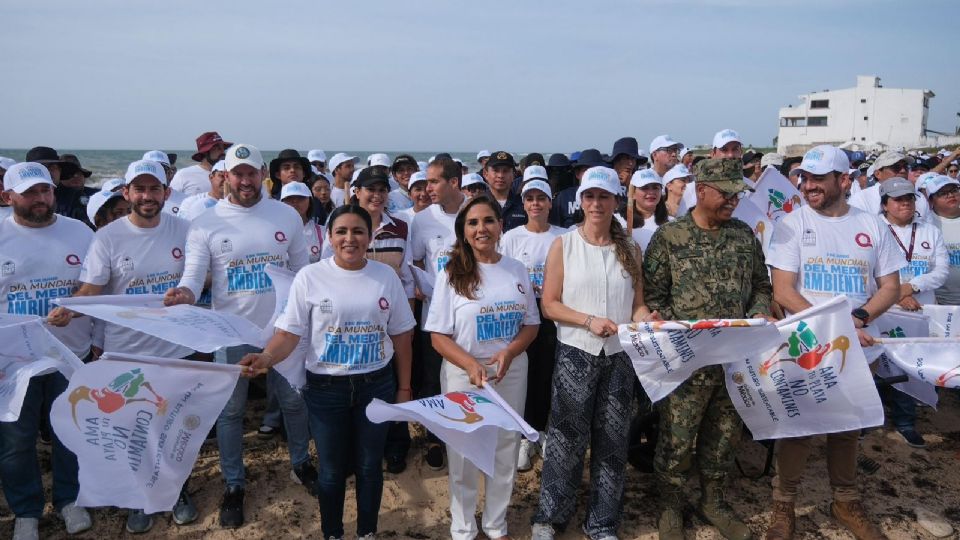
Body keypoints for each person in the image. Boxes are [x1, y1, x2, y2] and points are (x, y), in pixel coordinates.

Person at [236, 204, 414, 540]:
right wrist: (265, 358)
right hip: (325, 390)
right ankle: (333, 533)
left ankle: (366, 533)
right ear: (329, 238)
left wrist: (404, 389)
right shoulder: (310, 276)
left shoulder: (385, 277)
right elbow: (289, 334)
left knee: (369, 467)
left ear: (370, 236)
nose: (350, 238)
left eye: (358, 231)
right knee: (331, 471)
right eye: (342, 232)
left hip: (376, 385)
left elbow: (402, 336)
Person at [163, 143, 317, 528]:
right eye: (237, 173)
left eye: (251, 173)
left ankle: (301, 463)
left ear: (262, 173)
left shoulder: (285, 215)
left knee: (294, 403)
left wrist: (301, 321)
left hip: (283, 330)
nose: (245, 181)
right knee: (230, 412)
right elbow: (193, 278)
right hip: (230, 334)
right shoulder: (206, 224)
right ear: (224, 176)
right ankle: (234, 484)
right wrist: (183, 294)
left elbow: (303, 274)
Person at [49, 159, 199, 532]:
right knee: (135, 428)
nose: (147, 196)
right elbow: (92, 291)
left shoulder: (185, 229)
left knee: (173, 424)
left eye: (154, 189)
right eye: (140, 189)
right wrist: (71, 309)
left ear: (166, 192)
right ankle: (140, 499)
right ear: (127, 193)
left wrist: (188, 292)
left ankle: (177, 490)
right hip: (128, 352)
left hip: (176, 346)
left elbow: (201, 274)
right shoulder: (108, 237)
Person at [766, 145, 904, 540]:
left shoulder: (873, 225)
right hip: (808, 343)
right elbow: (783, 290)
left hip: (861, 345)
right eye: (804, 178)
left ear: (844, 180)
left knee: (848, 428)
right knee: (798, 428)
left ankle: (845, 500)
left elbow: (890, 286)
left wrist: (859, 319)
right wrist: (835, 327)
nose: (808, 185)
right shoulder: (791, 224)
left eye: (818, 179)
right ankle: (784, 504)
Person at [643, 159, 772, 540]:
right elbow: (654, 295)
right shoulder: (670, 238)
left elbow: (761, 286)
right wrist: (676, 327)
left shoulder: (743, 235)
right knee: (677, 438)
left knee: (725, 436)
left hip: (734, 362)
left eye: (738, 194)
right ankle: (670, 505)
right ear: (702, 191)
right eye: (726, 193)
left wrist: (760, 312)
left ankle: (712, 500)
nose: (734, 200)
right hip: (687, 363)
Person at [531, 166, 656, 540]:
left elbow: (636, 306)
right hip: (576, 353)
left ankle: (602, 521)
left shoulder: (631, 248)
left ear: (616, 200)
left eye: (604, 196)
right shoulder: (564, 245)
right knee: (565, 439)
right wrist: (588, 320)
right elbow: (549, 305)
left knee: (613, 442)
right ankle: (550, 518)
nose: (597, 203)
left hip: (619, 357)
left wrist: (647, 318)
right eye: (590, 196)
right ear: (580, 201)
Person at [425, 195, 540, 540]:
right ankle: (462, 527)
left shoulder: (516, 269)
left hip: (510, 372)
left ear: (500, 225)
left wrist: (509, 352)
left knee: (505, 448)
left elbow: (531, 325)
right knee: (463, 452)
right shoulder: (452, 274)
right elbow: (438, 336)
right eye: (473, 223)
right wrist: (471, 363)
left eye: (488, 220)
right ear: (463, 230)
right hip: (464, 374)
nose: (481, 229)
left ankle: (495, 523)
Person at [1, 162, 94, 539]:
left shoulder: (80, 232)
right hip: (13, 361)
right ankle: (26, 511)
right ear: (8, 197)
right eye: (30, 193)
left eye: (45, 191)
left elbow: (95, 287)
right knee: (16, 440)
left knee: (69, 431)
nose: (40, 199)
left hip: (70, 354)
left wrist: (82, 315)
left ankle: (71, 500)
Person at [876, 177, 947, 449]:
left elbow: (940, 271)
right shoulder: (874, 230)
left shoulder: (930, 231)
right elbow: (867, 271)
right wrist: (895, 294)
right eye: (898, 199)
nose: (905, 203)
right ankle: (870, 423)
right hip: (883, 310)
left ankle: (906, 423)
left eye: (909, 198)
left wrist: (910, 288)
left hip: (920, 311)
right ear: (885, 205)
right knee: (877, 367)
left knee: (911, 368)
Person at [499, 179, 565, 472]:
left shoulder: (564, 236)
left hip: (555, 312)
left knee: (550, 373)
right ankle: (526, 433)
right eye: (530, 198)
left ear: (550, 202)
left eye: (541, 198)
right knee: (524, 372)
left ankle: (547, 431)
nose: (536, 203)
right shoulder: (511, 237)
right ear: (523, 203)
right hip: (522, 314)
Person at [410, 157, 468, 470]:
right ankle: (435, 437)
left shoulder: (476, 212)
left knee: (466, 376)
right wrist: (420, 285)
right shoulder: (421, 220)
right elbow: (417, 261)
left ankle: (465, 432)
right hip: (434, 315)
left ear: (454, 182)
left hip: (471, 316)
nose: (426, 188)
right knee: (433, 378)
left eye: (433, 182)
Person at [849, 150, 931, 221]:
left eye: (905, 167)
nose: (903, 171)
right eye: (896, 167)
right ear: (878, 174)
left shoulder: (919, 197)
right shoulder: (861, 199)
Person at [928, 175, 960, 306]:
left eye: (954, 190)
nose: (951, 195)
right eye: (943, 193)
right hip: (941, 302)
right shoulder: (926, 225)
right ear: (931, 200)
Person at [170, 131, 231, 196]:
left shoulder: (230, 175)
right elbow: (171, 200)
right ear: (205, 152)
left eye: (223, 149)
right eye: (218, 148)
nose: (223, 152)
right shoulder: (183, 175)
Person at [627, 168, 671, 252]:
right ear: (632, 193)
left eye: (655, 188)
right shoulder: (620, 221)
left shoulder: (671, 222)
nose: (651, 192)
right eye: (644, 188)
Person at [281, 181, 324, 264]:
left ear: (310, 202)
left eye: (300, 198)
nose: (295, 201)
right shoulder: (274, 232)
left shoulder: (323, 232)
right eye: (289, 198)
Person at [483, 151, 526, 231]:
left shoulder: (524, 204)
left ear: (514, 175)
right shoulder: (477, 203)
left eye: (505, 171)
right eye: (495, 170)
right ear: (485, 174)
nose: (500, 176)